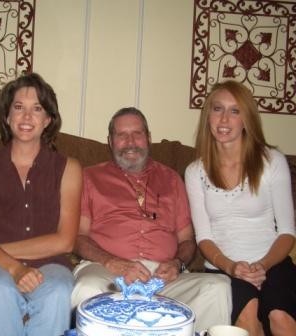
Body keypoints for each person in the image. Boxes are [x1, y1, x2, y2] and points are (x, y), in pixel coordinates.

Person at [71, 107, 232, 332]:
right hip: (106, 269)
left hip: (163, 279)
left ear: (148, 138)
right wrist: (111, 262)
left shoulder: (172, 179)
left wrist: (177, 263)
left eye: (137, 133)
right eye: (121, 135)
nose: (130, 142)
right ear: (110, 141)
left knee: (218, 287)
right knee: (88, 289)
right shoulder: (90, 177)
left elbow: (187, 240)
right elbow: (78, 238)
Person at [0, 73, 82, 336]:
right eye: (18, 107)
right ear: (7, 117)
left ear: (48, 120)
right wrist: (13, 267)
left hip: (50, 263)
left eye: (37, 109)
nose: (27, 117)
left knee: (58, 293)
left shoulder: (69, 168)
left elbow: (65, 241)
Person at [185, 80, 296, 336]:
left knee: (280, 318)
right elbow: (204, 237)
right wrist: (232, 266)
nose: (224, 119)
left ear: (247, 119)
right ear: (208, 116)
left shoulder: (272, 161)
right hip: (224, 270)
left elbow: (288, 231)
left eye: (235, 111)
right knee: (247, 319)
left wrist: (263, 265)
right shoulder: (195, 172)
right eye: (218, 109)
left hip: (272, 264)